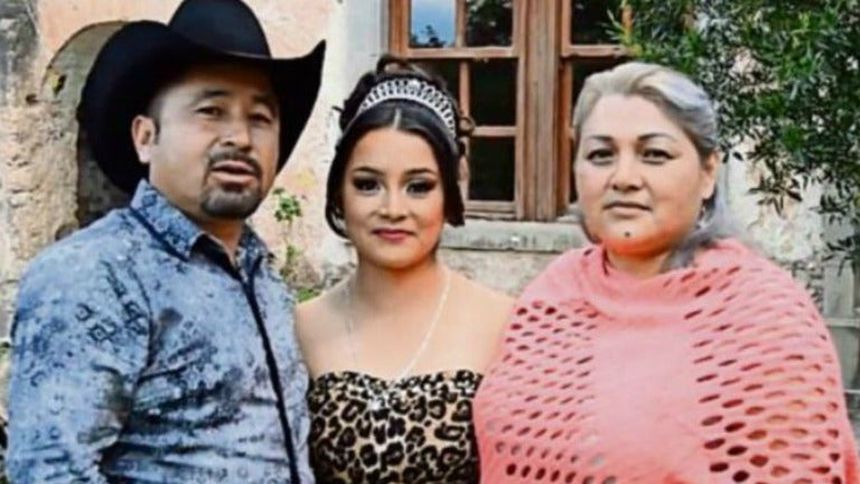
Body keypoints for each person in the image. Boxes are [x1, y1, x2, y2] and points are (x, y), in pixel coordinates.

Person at [473, 62, 859, 482]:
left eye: (654, 154)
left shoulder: (764, 316)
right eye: (601, 155)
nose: (623, 178)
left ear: (708, 173)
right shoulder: (550, 298)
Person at [7, 0, 325, 482]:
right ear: (146, 137)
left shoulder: (262, 276)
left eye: (260, 117)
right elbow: (50, 472)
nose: (241, 137)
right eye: (211, 111)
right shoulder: (96, 275)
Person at [295, 57, 513, 483]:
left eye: (419, 187)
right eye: (367, 184)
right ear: (339, 193)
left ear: (449, 193)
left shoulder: (506, 324)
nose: (393, 209)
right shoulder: (299, 328)